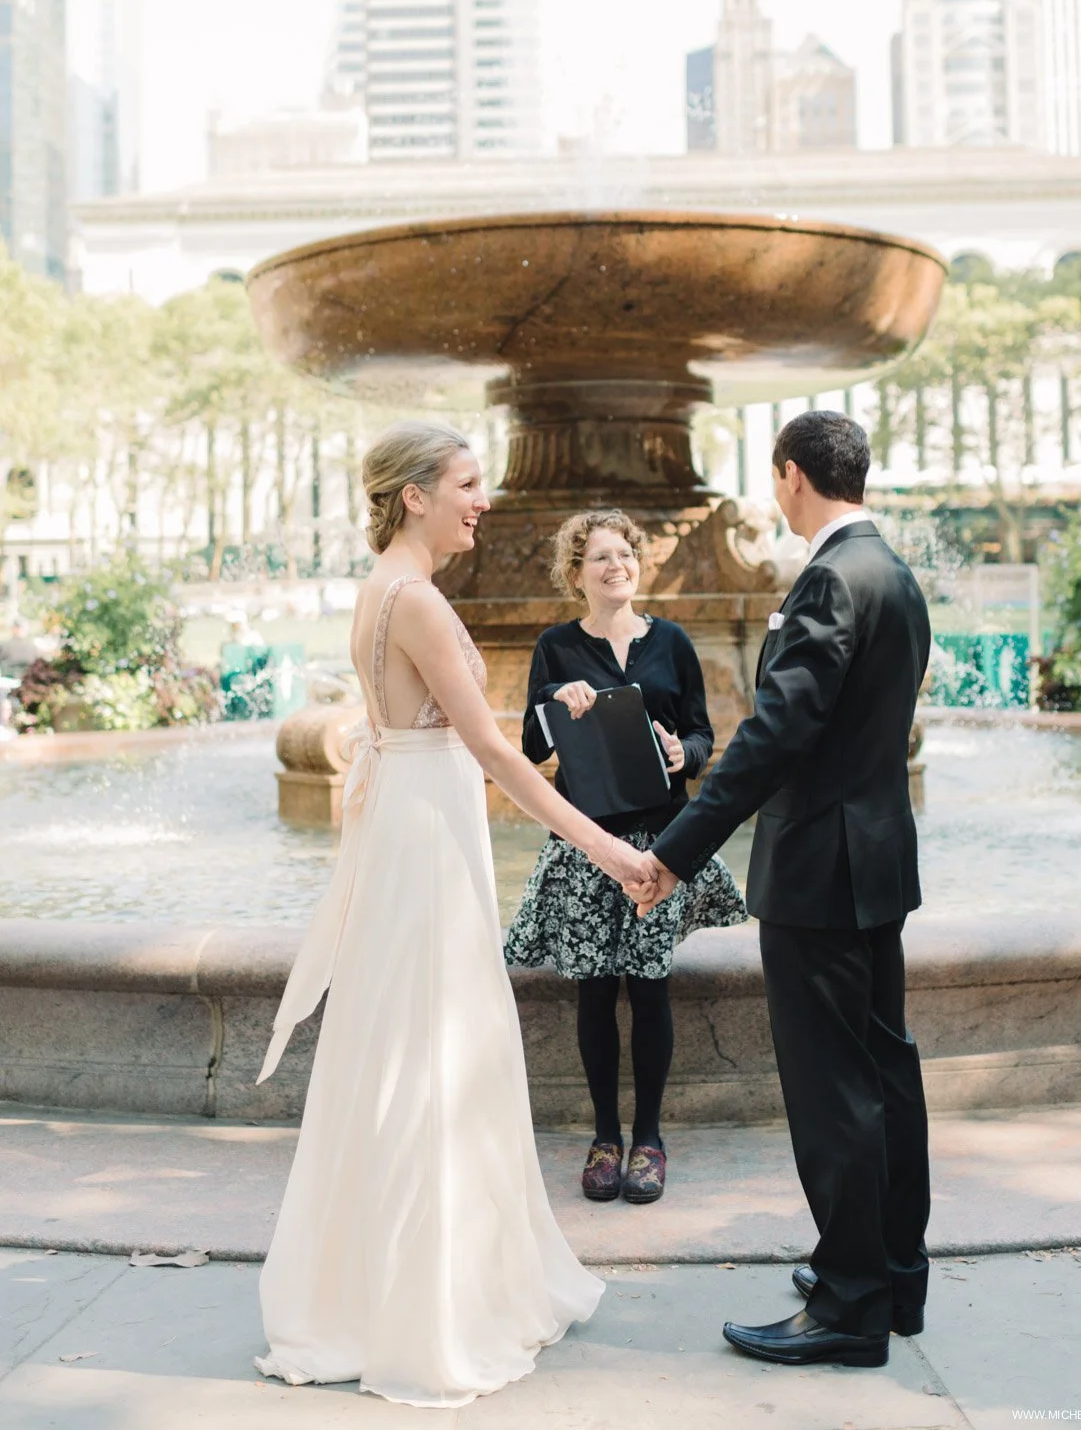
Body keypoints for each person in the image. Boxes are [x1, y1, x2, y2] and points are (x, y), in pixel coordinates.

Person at [255, 422, 658, 1408]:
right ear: (414, 497)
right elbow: (496, 755)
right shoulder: (420, 601)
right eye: (468, 483)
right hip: (430, 843)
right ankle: (430, 1310)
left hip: (412, 827)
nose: (484, 500)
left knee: (401, 1053)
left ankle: (373, 1289)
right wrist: (607, 848)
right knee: (434, 1056)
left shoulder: (378, 593)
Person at [629, 410, 932, 1371]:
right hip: (877, 861)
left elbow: (772, 736)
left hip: (817, 875)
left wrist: (675, 850)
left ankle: (849, 1306)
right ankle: (890, 1273)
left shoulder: (829, 580)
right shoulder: (894, 571)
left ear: (792, 476)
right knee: (884, 1069)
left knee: (832, 1088)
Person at [505, 510, 746, 1206]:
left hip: (659, 841)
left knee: (648, 984)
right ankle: (605, 1136)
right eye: (600, 557)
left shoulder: (671, 642)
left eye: (625, 554)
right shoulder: (555, 648)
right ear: (575, 574)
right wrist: (555, 701)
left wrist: (685, 752)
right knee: (593, 987)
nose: (616, 565)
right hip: (586, 841)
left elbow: (703, 734)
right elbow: (529, 747)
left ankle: (649, 1138)